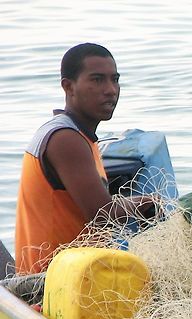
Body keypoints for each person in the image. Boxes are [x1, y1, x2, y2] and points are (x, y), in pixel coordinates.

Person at [14, 43, 157, 275]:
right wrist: (148, 203)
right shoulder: (65, 139)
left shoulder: (81, 136)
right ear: (68, 86)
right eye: (97, 80)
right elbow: (101, 214)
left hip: (77, 273)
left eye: (115, 79)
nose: (111, 89)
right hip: (50, 283)